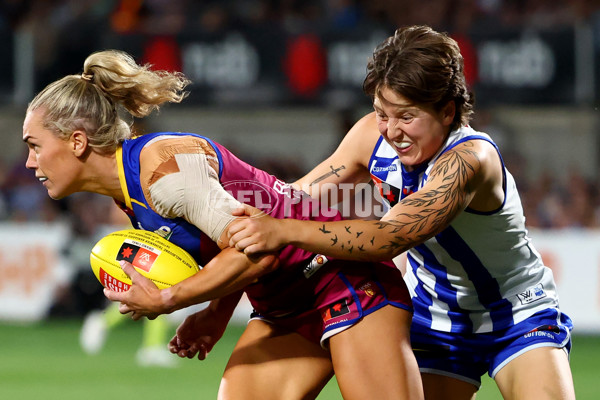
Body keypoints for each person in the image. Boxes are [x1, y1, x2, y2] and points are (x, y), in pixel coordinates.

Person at [23, 49, 423, 399]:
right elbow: (231, 241)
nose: (29, 162)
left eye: (35, 146)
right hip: (282, 305)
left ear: (76, 142)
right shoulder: (130, 189)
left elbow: (257, 251)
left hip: (341, 281)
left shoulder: (165, 171)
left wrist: (170, 299)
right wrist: (217, 311)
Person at [227, 25, 576, 400]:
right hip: (434, 317)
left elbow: (387, 237)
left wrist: (283, 231)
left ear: (447, 111)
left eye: (406, 116)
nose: (391, 131)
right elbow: (292, 201)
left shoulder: (470, 160)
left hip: (518, 314)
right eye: (381, 113)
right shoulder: (369, 137)